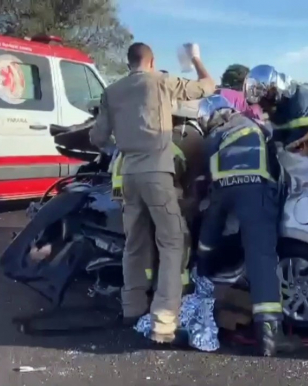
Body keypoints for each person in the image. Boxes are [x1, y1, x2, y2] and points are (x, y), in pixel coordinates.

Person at [89, 42, 216, 344]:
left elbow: (97, 136)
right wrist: (196, 59)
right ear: (152, 61)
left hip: (128, 174)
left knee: (134, 243)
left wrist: (119, 146)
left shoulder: (112, 91)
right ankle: (163, 323)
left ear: (128, 62)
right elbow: (209, 87)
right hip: (157, 173)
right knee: (172, 242)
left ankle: (132, 308)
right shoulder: (160, 81)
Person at [193, 95, 301, 357]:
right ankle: (268, 339)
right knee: (261, 257)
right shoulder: (254, 126)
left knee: (209, 233)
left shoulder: (214, 137)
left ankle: (202, 274)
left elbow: (205, 174)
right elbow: (276, 160)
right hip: (255, 192)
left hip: (223, 192)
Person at [243, 64, 308, 145]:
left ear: (273, 93)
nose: (262, 107)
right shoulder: (281, 108)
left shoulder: (300, 102)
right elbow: (278, 138)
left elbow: (296, 143)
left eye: (263, 102)